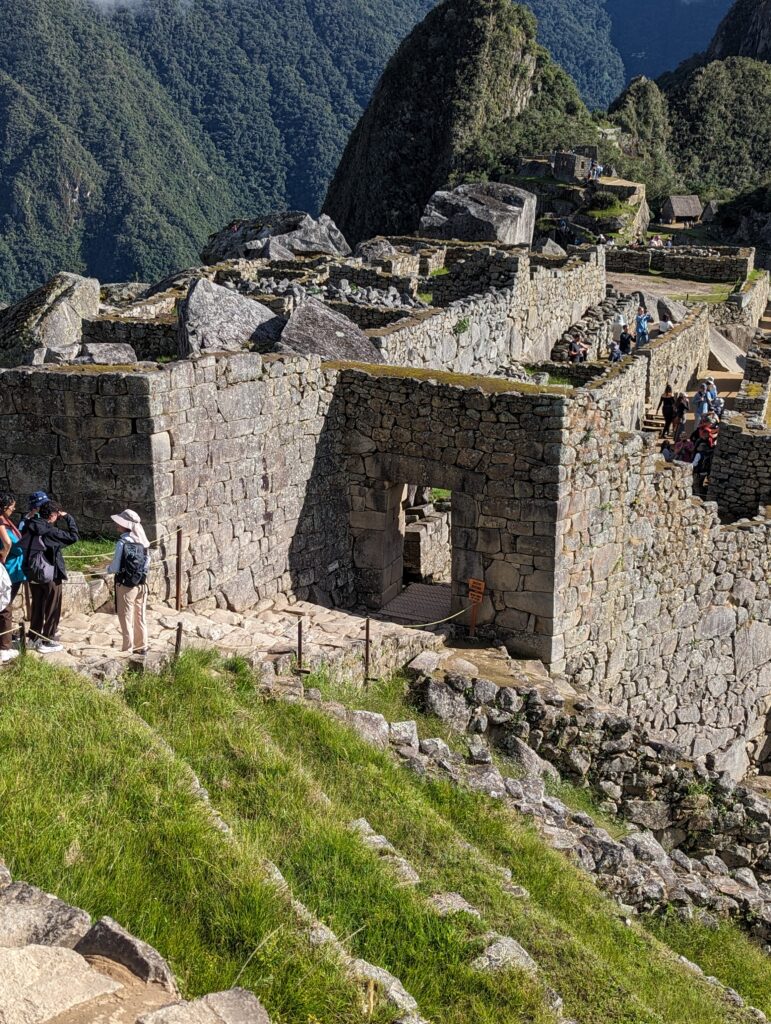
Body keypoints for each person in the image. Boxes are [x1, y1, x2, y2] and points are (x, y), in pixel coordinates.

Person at [20, 500, 78, 653]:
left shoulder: (29, 526)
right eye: (57, 515)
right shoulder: (49, 531)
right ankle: (47, 640)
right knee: (53, 606)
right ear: (52, 515)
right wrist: (68, 518)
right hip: (50, 573)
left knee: (37, 606)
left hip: (32, 572)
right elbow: (73, 537)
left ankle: (34, 638)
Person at [106, 509, 151, 655]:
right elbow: (147, 564)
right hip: (142, 584)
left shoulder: (123, 543)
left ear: (125, 525)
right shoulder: (143, 541)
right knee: (140, 616)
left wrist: (107, 569)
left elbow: (115, 567)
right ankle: (142, 646)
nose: (116, 525)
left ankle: (128, 649)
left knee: (125, 617)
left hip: (126, 585)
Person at [0, 494, 24, 663]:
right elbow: (9, 543)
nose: (13, 509)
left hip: (12, 569)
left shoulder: (6, 521)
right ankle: (4, 648)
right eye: (11, 506)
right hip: (9, 570)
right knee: (5, 607)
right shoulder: (1, 522)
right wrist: (3, 555)